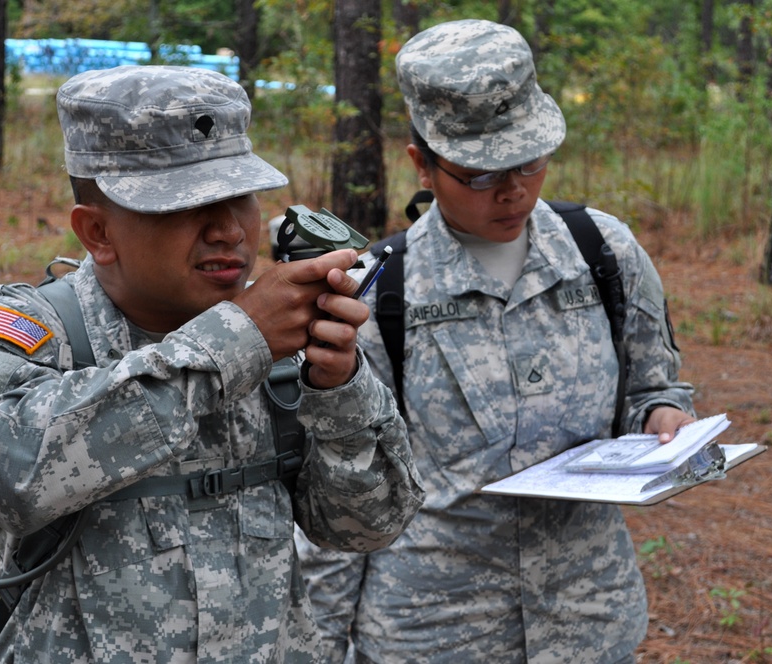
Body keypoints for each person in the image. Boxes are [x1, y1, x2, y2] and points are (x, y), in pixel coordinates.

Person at [0, 65, 423, 663]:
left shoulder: (280, 342)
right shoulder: (30, 331)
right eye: (182, 206)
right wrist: (231, 347)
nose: (228, 230)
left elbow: (367, 525)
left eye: (238, 197)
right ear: (97, 233)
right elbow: (4, 482)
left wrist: (335, 385)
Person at [295, 19, 696, 663]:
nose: (512, 190)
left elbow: (654, 387)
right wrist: (320, 647)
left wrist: (663, 418)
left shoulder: (603, 252)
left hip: (585, 619)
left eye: (530, 161)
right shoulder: (375, 293)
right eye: (480, 174)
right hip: (435, 630)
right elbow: (342, 501)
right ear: (422, 164)